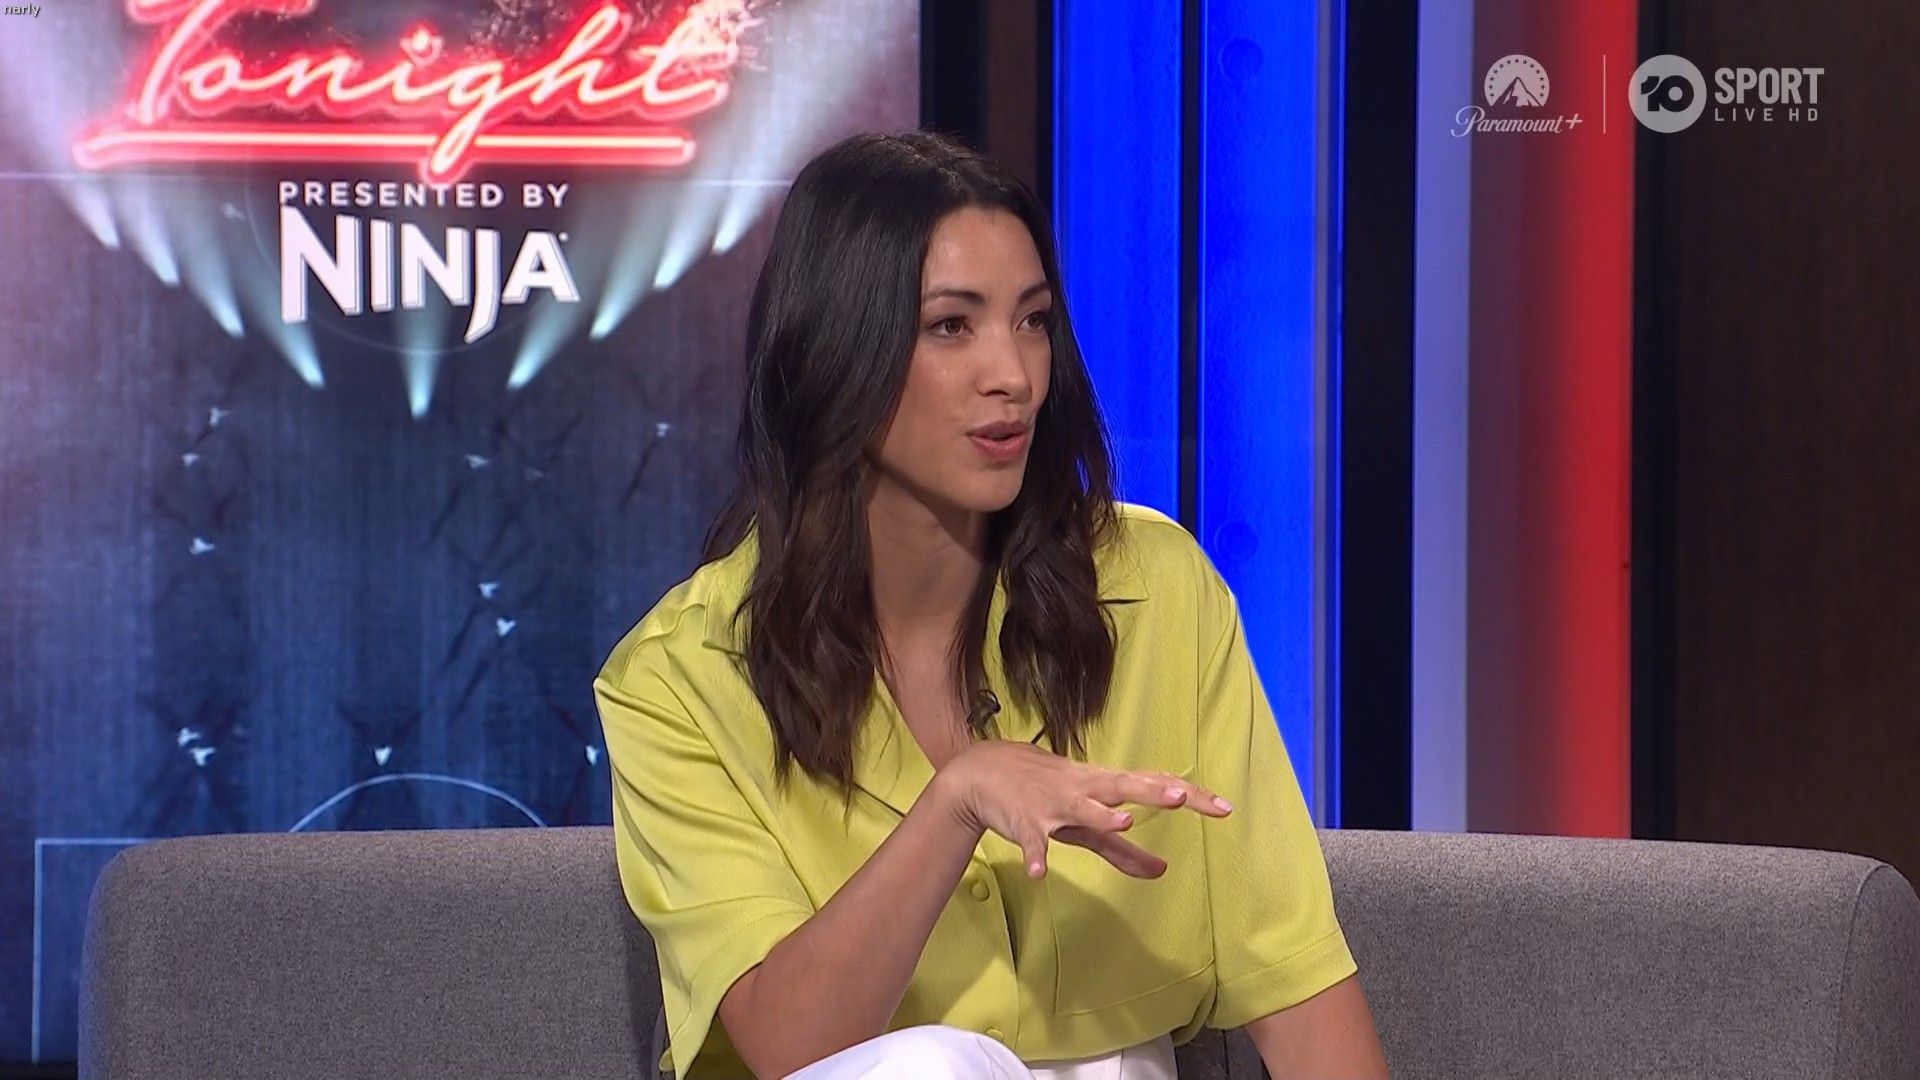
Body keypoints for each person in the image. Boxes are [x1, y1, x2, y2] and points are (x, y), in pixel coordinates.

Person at [594, 130, 1390, 1080]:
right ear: (836, 348)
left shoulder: (1157, 592)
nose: (1013, 375)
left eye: (1033, 320)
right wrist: (957, 801)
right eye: (951, 326)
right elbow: (788, 1045)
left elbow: (1295, 983)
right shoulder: (679, 679)